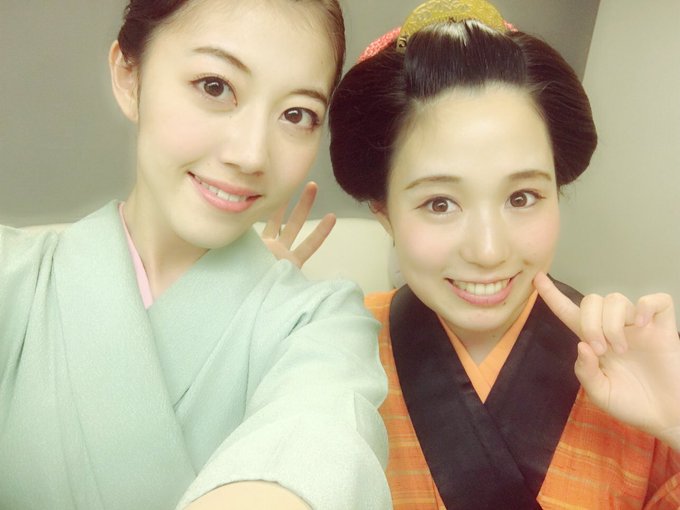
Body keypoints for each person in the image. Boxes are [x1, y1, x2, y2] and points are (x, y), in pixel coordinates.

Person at [0, 1, 391, 509]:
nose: (250, 155)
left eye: (297, 115)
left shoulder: (323, 323)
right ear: (129, 76)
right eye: (215, 86)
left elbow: (324, 438)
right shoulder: (13, 278)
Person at [323, 0, 680, 507]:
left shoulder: (645, 372)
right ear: (384, 212)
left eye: (522, 197)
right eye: (440, 203)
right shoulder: (330, 348)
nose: (489, 251)